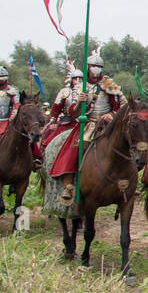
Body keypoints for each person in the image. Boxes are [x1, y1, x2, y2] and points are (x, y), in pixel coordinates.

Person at [42, 63, 84, 204]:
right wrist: (53, 120)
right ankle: (45, 162)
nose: (77, 80)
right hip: (67, 122)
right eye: (75, 78)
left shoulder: (87, 91)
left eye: (80, 78)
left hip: (83, 123)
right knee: (50, 142)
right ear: (71, 80)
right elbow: (55, 108)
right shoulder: (64, 92)